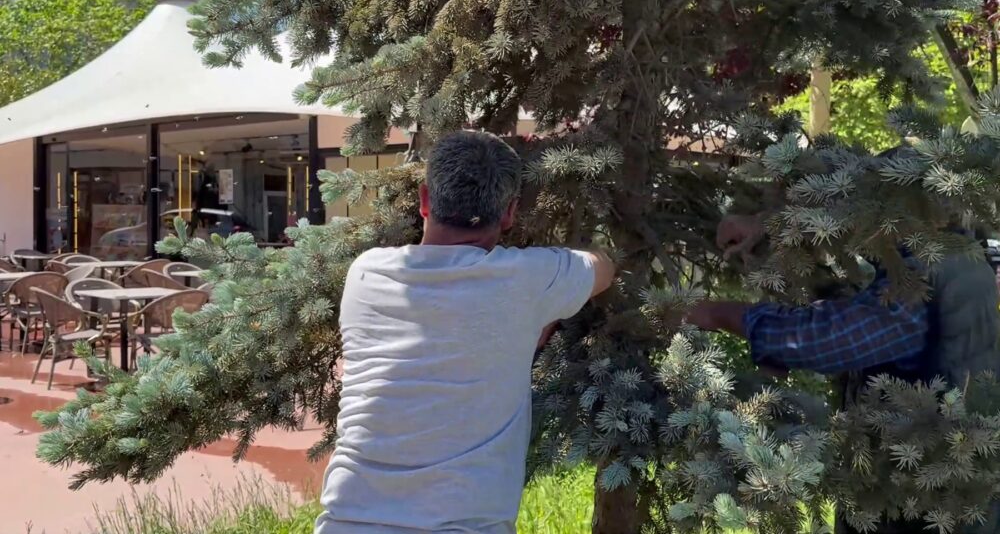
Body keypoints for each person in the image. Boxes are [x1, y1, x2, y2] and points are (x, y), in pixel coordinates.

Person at [315, 130, 616, 534]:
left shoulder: (366, 271)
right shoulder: (527, 280)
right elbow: (602, 267)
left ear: (425, 201)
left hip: (348, 522)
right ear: (509, 213)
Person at [687, 212, 1000, 534]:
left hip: (922, 505)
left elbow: (821, 340)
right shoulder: (958, 260)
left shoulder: (923, 277)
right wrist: (769, 226)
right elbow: (851, 294)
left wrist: (712, 313)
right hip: (928, 489)